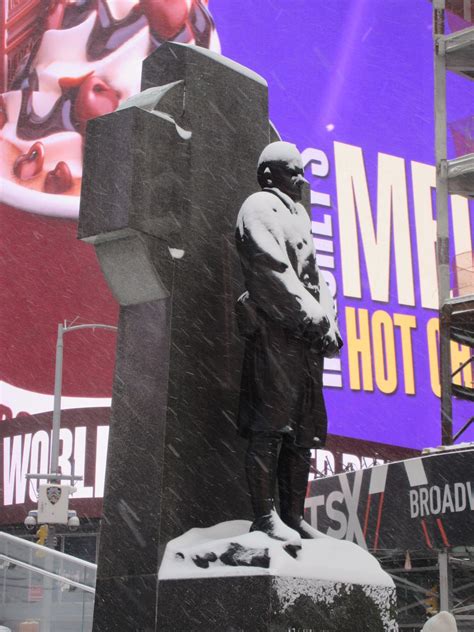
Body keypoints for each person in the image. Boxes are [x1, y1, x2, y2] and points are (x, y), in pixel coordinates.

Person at [235, 141, 343, 548]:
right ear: (268, 175)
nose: (301, 179)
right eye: (292, 171)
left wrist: (327, 321)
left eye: (301, 172)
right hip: (275, 337)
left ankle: (293, 517)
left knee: (302, 435)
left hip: (304, 344)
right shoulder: (259, 208)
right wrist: (313, 318)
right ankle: (265, 517)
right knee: (271, 429)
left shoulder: (298, 214)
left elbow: (317, 278)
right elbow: (270, 272)